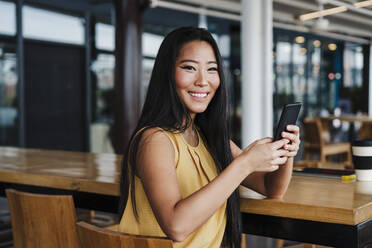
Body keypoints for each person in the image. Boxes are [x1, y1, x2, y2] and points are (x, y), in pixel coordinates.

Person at [118, 27, 300, 248]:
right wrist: (245, 163)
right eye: (189, 67)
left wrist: (286, 151)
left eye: (212, 69)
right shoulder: (155, 140)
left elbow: (271, 188)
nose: (203, 80)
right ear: (167, 73)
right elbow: (176, 226)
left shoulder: (210, 138)